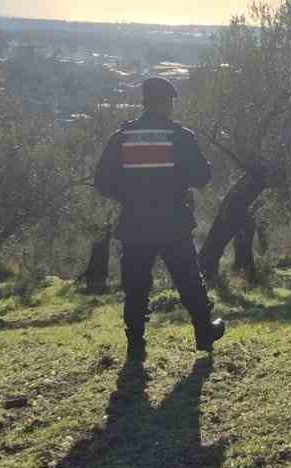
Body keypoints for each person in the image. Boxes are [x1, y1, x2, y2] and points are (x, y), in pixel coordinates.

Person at [93, 77, 225, 360]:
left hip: (135, 223)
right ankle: (204, 334)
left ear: (145, 102)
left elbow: (102, 181)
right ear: (166, 103)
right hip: (173, 222)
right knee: (189, 280)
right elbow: (202, 177)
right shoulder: (180, 136)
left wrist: (128, 195)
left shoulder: (123, 137)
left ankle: (135, 346)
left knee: (136, 285)